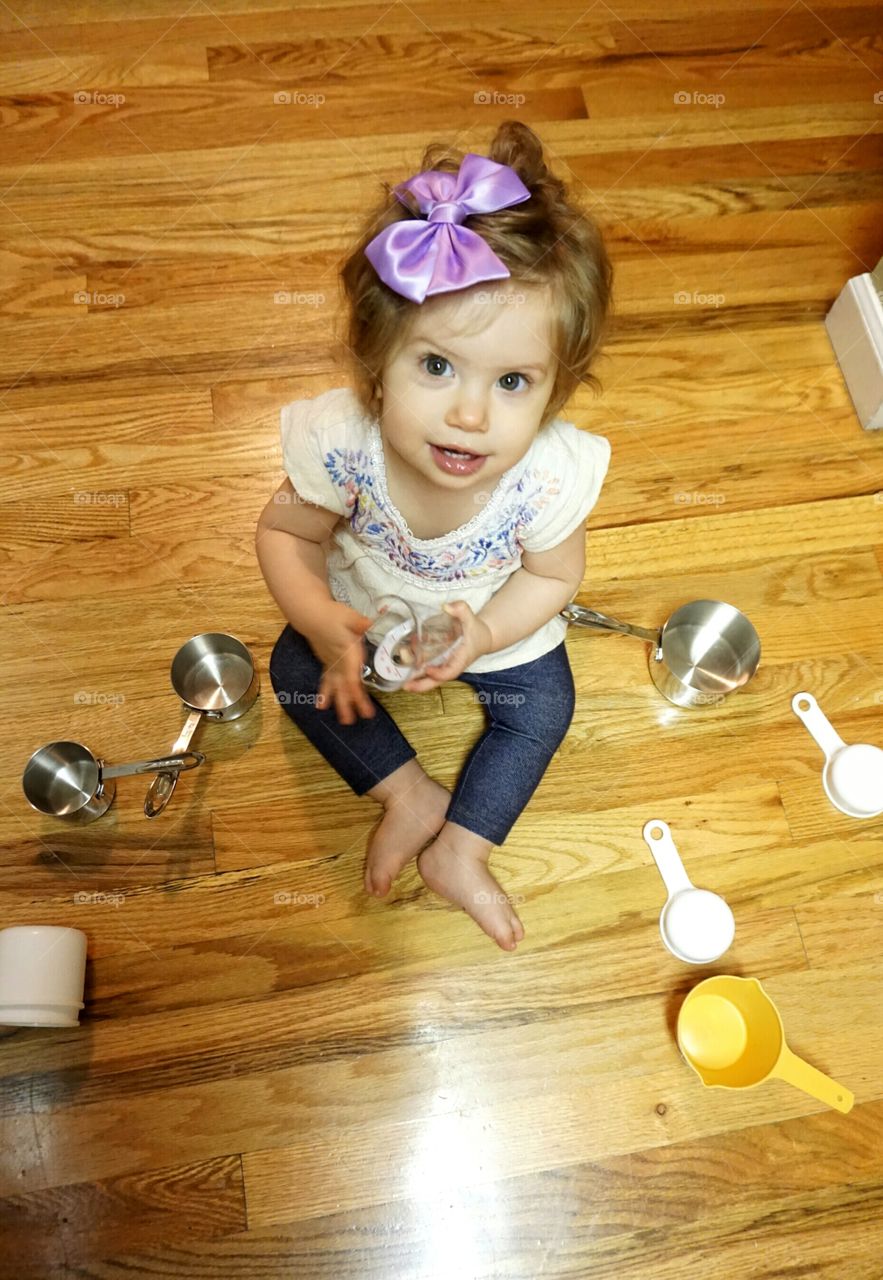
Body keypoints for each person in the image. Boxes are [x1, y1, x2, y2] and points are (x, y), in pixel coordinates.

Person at [257, 120, 613, 952]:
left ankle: (462, 848)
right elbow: (284, 533)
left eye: (514, 381)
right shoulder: (343, 441)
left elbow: (554, 578)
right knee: (291, 669)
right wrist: (317, 616)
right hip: (366, 611)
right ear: (375, 359)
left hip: (483, 621)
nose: (470, 414)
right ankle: (405, 792)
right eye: (437, 366)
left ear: (555, 392)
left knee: (544, 705)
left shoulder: (548, 473)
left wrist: (485, 632)